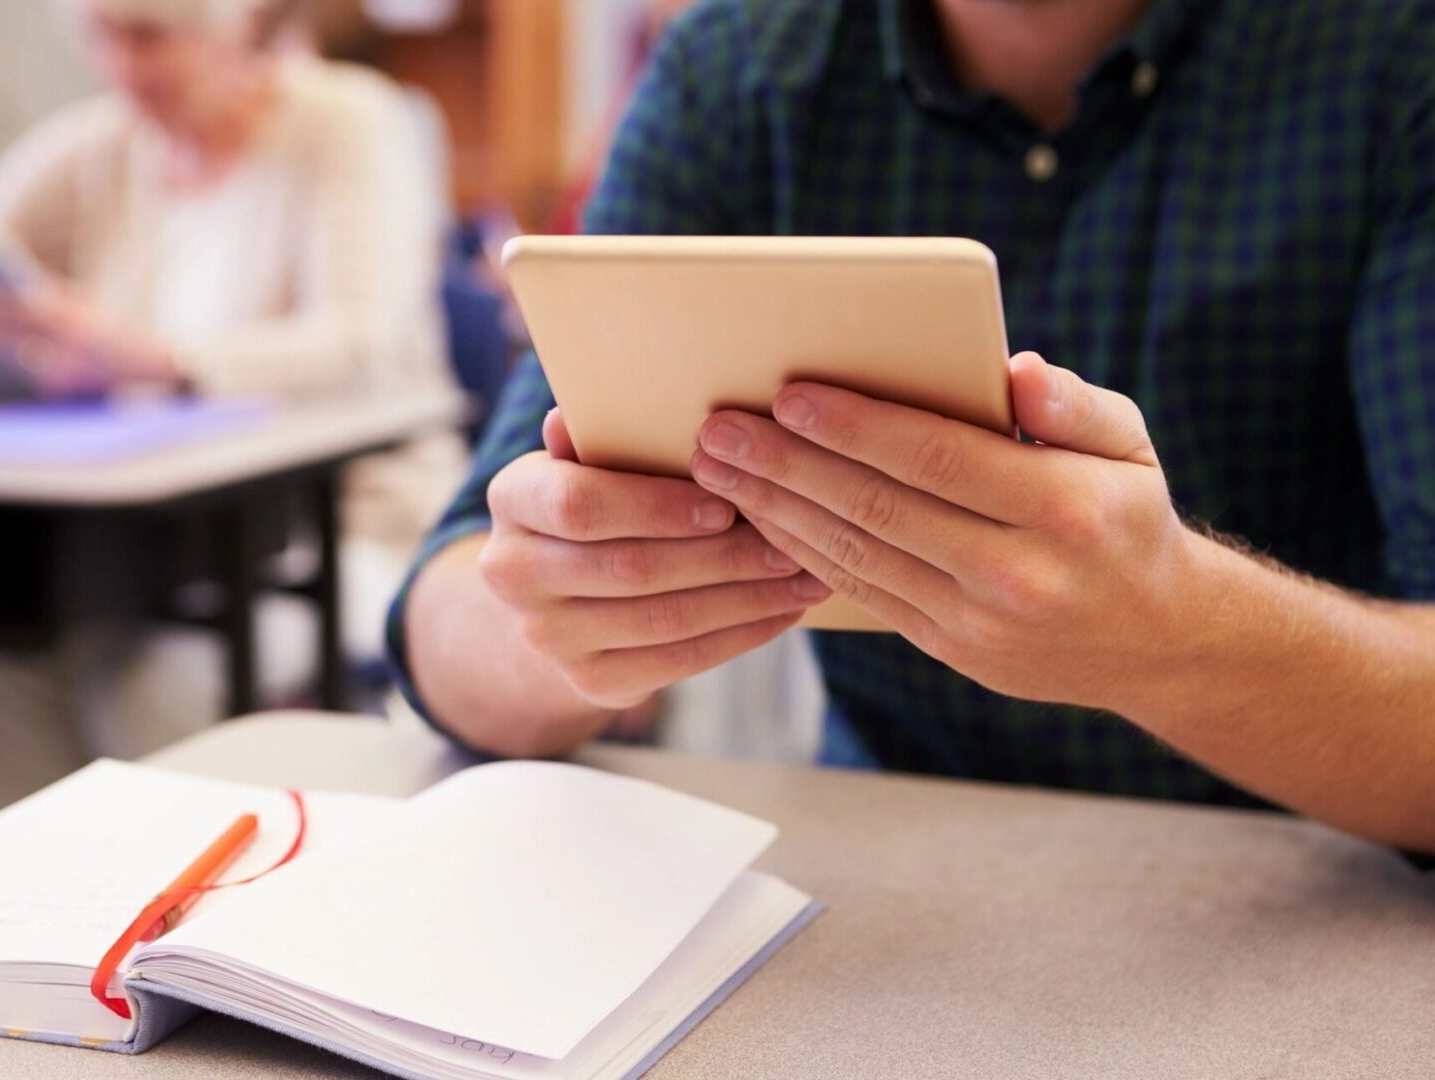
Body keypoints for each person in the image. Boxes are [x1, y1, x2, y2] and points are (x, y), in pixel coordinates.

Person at [390, 0, 1435, 857]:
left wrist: (1173, 633)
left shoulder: (1391, 55)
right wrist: (564, 622)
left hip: (1310, 891)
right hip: (873, 889)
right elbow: (449, 611)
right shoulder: (737, 64)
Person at [0, 0, 462, 810]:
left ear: (232, 30)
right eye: (102, 38)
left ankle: (181, 900)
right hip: (138, 540)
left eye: (150, 38)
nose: (123, 68)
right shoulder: (101, 144)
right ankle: (49, 887)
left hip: (341, 522)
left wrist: (156, 357)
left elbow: (358, 343)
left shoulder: (347, 124)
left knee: (149, 679)